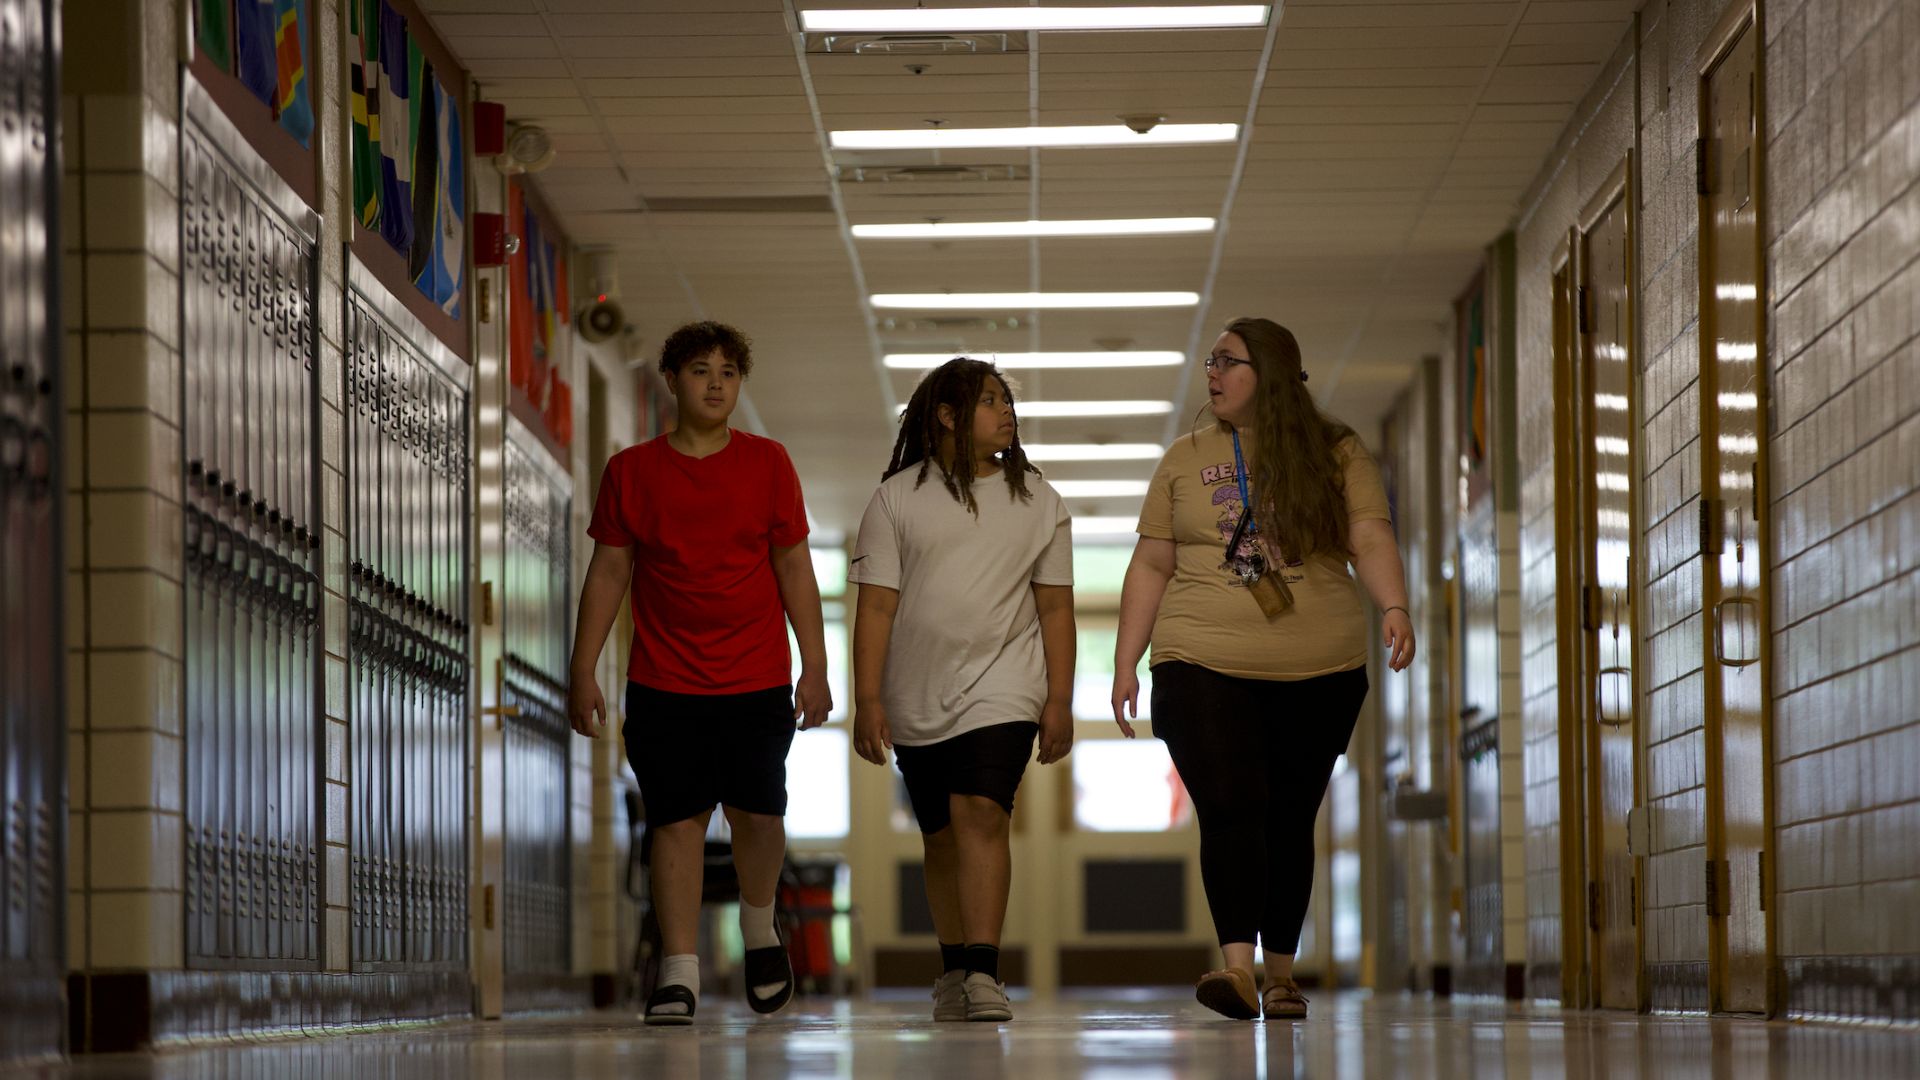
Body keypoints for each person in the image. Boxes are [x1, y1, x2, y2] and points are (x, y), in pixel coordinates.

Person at [1109, 318, 1414, 1021]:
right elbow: (1153, 562)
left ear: (1269, 375)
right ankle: (1238, 969)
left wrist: (1393, 604)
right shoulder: (1184, 458)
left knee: (1288, 814)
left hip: (1320, 663)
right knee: (1231, 804)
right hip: (1200, 659)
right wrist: (1127, 659)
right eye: (1210, 360)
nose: (1211, 373)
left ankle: (1281, 974)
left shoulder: (1335, 451)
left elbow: (1368, 534)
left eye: (1228, 361)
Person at [566, 321, 833, 1025]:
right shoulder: (631, 472)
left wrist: (816, 665)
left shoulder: (769, 463)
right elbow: (609, 573)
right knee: (676, 822)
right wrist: (582, 667)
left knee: (759, 813)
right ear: (673, 381)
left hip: (755, 679)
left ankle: (756, 925)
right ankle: (678, 970)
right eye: (700, 371)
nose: (716, 385)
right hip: (664, 682)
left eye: (728, 373)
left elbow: (794, 567)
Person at [849, 358, 1076, 1023]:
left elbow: (1057, 610)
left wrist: (1058, 698)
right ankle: (953, 966)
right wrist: (867, 698)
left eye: (1007, 400)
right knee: (942, 834)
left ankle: (983, 970)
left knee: (983, 812)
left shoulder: (1039, 501)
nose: (1005, 411)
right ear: (946, 416)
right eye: (988, 401)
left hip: (1005, 685)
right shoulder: (896, 499)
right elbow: (876, 609)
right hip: (916, 693)